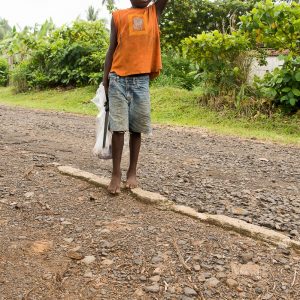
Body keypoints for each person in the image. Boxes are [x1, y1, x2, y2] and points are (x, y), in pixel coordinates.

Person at [103, 0, 169, 194]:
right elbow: (111, 48)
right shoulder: (118, 16)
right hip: (117, 79)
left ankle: (132, 172)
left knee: (136, 129)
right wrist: (105, 80)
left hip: (141, 81)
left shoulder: (153, 13)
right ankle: (116, 173)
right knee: (118, 128)